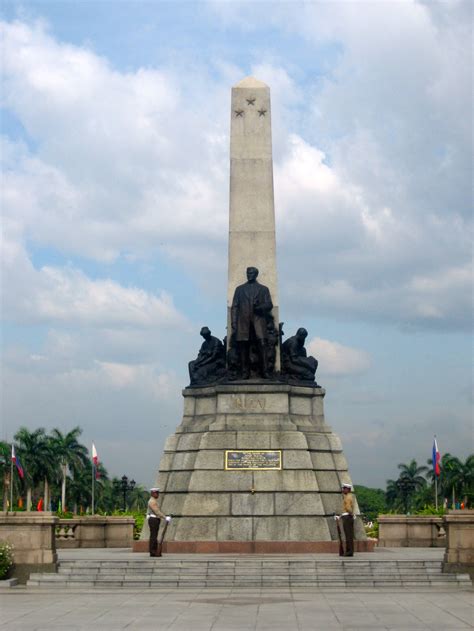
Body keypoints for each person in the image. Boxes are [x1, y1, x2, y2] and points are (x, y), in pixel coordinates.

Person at [230, 267, 273, 379]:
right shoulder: (239, 289)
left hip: (259, 321)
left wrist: (259, 307)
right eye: (248, 273)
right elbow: (234, 306)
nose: (249, 274)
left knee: (262, 345)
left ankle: (265, 371)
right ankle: (245, 372)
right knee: (243, 347)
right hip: (243, 323)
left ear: (256, 274)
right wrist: (234, 323)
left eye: (251, 273)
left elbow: (269, 304)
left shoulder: (264, 289)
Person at [147, 488, 170, 557]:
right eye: (156, 493)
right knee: (153, 536)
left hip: (155, 519)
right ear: (153, 493)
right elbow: (157, 511)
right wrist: (165, 517)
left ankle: (154, 551)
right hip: (154, 519)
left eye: (158, 493)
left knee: (154, 535)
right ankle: (153, 551)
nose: (158, 494)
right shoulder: (152, 501)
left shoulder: (153, 500)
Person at [339, 482, 355, 556]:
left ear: (348, 489)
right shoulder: (349, 496)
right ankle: (349, 551)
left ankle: (349, 551)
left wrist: (351, 514)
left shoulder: (348, 497)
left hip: (347, 517)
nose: (343, 490)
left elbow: (348, 508)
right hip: (347, 516)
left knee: (348, 535)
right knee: (349, 534)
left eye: (344, 489)